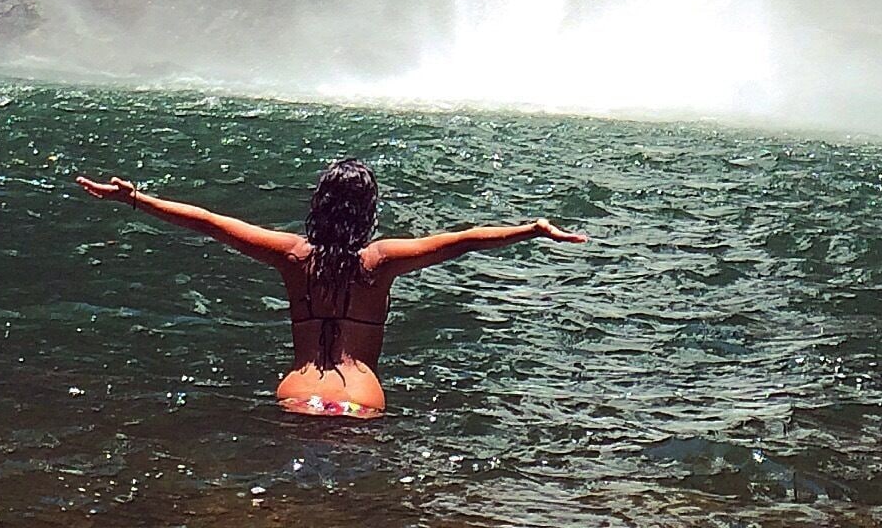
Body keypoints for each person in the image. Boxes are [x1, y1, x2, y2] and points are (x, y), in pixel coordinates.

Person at [73, 158, 588, 416]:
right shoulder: (381, 261)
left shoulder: (292, 256)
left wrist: (135, 199)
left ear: (319, 204)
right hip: (359, 400)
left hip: (297, 396)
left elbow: (210, 222)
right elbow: (465, 240)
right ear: (368, 212)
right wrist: (532, 229)